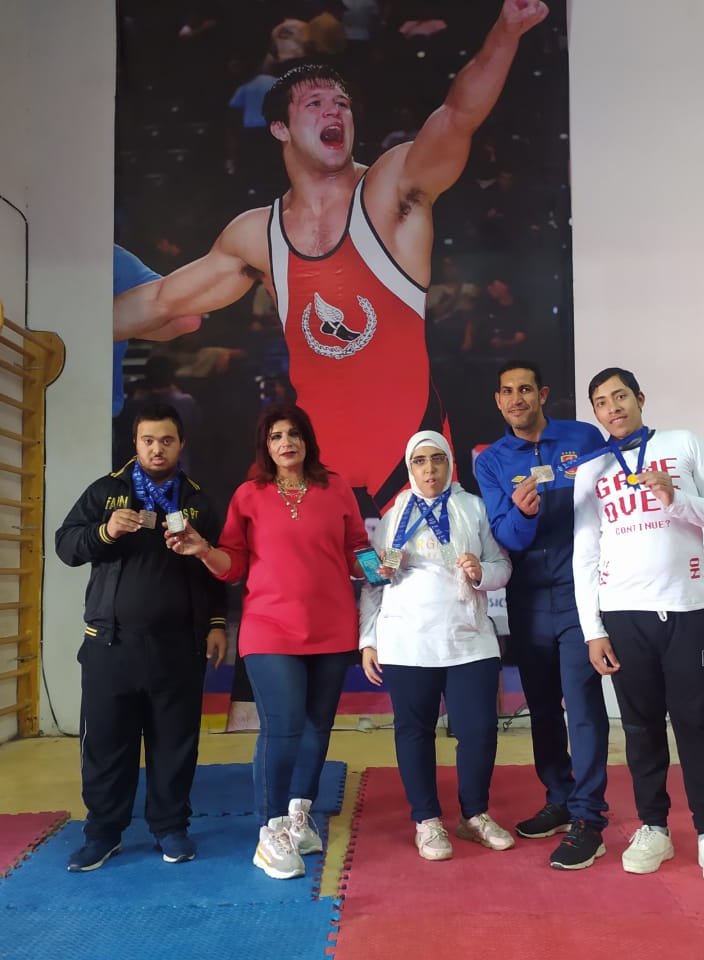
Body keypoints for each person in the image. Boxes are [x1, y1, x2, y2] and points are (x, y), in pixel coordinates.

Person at [114, 0, 550, 512]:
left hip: (410, 456)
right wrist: (65, 329)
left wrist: (507, 30)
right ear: (280, 128)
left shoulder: (390, 192)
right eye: (315, 103)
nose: (334, 112)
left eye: (342, 104)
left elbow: (457, 117)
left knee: (428, 567)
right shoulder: (257, 235)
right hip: (319, 465)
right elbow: (163, 302)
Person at [165, 402, 371, 880]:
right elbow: (233, 564)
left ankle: (299, 814)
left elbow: (357, 548)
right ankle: (270, 830)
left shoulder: (336, 487)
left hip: (332, 626)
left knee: (318, 724)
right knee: (283, 725)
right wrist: (204, 551)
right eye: (276, 436)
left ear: (307, 440)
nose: (286, 443)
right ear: (266, 446)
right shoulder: (249, 495)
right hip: (269, 628)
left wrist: (378, 567)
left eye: (294, 434)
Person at [572, 367, 704, 888]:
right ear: (596, 413)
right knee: (640, 727)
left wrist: (678, 498)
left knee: (695, 724)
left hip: (687, 609)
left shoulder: (682, 443)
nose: (613, 408)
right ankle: (654, 827)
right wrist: (592, 630)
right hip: (623, 614)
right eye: (601, 402)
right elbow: (585, 554)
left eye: (620, 396)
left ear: (640, 398)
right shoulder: (592, 468)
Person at [54, 401, 229, 872]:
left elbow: (217, 567)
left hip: (180, 646)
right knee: (106, 744)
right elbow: (66, 545)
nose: (157, 449)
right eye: (148, 440)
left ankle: (170, 827)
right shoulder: (106, 492)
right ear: (135, 443)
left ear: (181, 444)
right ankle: (102, 832)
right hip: (111, 644)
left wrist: (216, 624)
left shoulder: (197, 500)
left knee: (175, 743)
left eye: (166, 440)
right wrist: (105, 531)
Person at [474, 361, 610, 870]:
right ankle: (560, 797)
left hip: (580, 595)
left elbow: (611, 503)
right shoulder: (491, 461)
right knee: (543, 707)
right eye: (507, 391)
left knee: (583, 703)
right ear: (498, 400)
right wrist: (524, 513)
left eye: (526, 389)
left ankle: (589, 816)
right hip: (528, 599)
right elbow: (505, 537)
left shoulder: (582, 438)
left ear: (543, 393)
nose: (517, 399)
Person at [359, 430, 514, 862]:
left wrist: (480, 571)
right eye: (420, 461)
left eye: (438, 459)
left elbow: (503, 566)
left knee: (479, 730)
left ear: (449, 464)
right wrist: (369, 639)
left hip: (469, 638)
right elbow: (372, 581)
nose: (430, 469)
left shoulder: (473, 508)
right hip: (406, 640)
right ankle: (426, 821)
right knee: (414, 731)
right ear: (410, 468)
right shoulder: (393, 516)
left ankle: (474, 815)